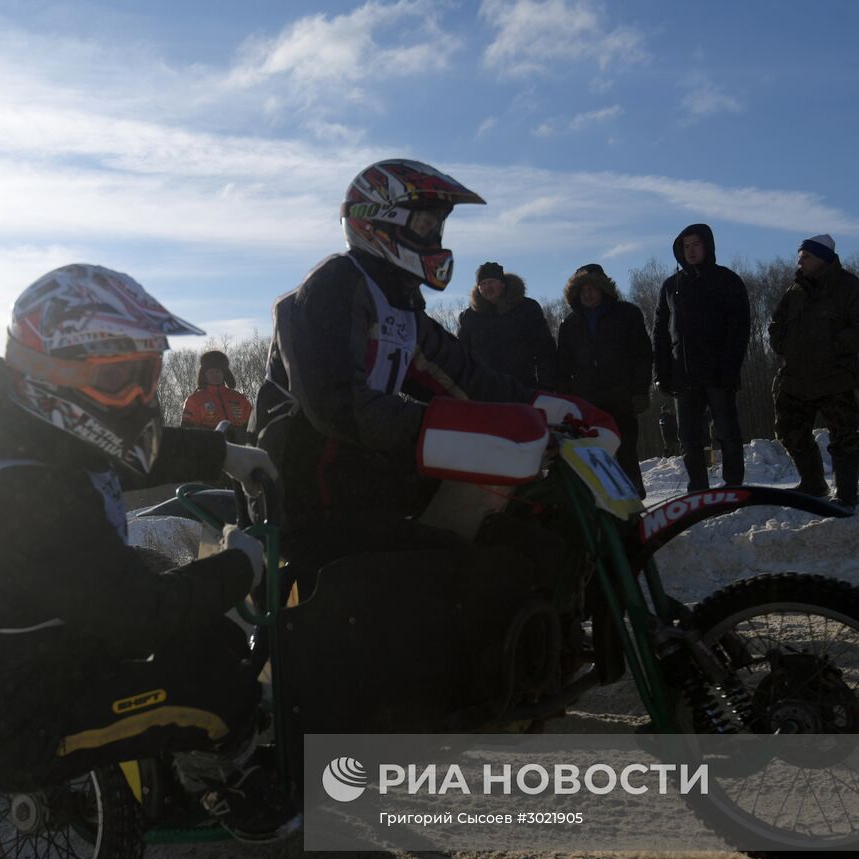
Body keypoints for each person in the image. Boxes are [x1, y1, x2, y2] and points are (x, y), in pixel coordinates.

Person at [0, 263, 293, 842]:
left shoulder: (25, 421)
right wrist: (241, 563)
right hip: (6, 713)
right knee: (214, 694)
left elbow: (131, 452)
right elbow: (142, 618)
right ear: (50, 375)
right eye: (119, 379)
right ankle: (219, 783)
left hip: (45, 645)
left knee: (216, 635)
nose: (138, 397)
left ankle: (184, 756)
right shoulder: (16, 497)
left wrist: (222, 454)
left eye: (147, 373)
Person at [252, 158, 618, 573]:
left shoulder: (402, 306)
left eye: (437, 228)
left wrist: (559, 409)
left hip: (368, 475)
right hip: (309, 493)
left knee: (528, 527)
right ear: (382, 224)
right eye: (426, 226)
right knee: (459, 570)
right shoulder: (332, 288)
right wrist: (460, 427)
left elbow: (468, 378)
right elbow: (339, 407)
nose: (436, 238)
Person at [769, 234, 859, 509]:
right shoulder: (794, 291)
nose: (800, 262)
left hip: (835, 377)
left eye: (806, 256)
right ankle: (813, 483)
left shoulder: (850, 288)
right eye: (800, 257)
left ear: (823, 259)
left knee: (843, 436)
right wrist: (782, 343)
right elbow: (776, 323)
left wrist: (835, 345)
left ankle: (846, 493)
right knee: (789, 429)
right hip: (795, 377)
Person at [653, 223, 751, 491]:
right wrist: (661, 373)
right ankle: (698, 488)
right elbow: (660, 333)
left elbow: (740, 329)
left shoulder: (726, 280)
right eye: (686, 246)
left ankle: (733, 486)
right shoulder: (671, 286)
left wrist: (731, 367)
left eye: (696, 245)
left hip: (719, 373)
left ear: (707, 246)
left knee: (727, 433)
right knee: (688, 438)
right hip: (683, 375)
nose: (691, 251)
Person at [555, 263, 654, 497]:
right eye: (583, 289)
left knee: (626, 453)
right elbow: (563, 365)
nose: (588, 293)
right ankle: (600, 508)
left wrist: (640, 391)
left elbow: (643, 355)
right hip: (586, 403)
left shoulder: (628, 314)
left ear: (603, 289)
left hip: (623, 398)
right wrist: (567, 398)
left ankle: (633, 508)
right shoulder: (569, 324)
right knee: (593, 456)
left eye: (593, 288)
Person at [457, 261, 558, 389]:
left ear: (503, 284)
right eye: (483, 283)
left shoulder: (527, 309)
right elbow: (462, 356)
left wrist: (546, 386)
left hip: (522, 388)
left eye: (492, 281)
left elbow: (544, 349)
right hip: (484, 392)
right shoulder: (469, 317)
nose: (488, 287)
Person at [181, 349, 252, 440]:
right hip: (209, 450)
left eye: (218, 371)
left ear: (224, 374)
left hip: (239, 450)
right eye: (210, 372)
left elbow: (253, 426)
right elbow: (187, 431)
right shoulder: (194, 400)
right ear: (204, 375)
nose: (215, 375)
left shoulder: (239, 399)